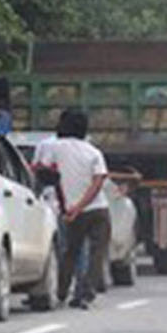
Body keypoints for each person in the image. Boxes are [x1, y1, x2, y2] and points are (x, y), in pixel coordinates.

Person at [33, 108, 111, 309]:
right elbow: (99, 181)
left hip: (70, 212)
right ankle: (86, 293)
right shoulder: (94, 152)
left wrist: (73, 207)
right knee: (96, 253)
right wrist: (82, 205)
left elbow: (42, 170)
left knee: (70, 252)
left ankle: (60, 292)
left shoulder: (54, 148)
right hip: (98, 210)